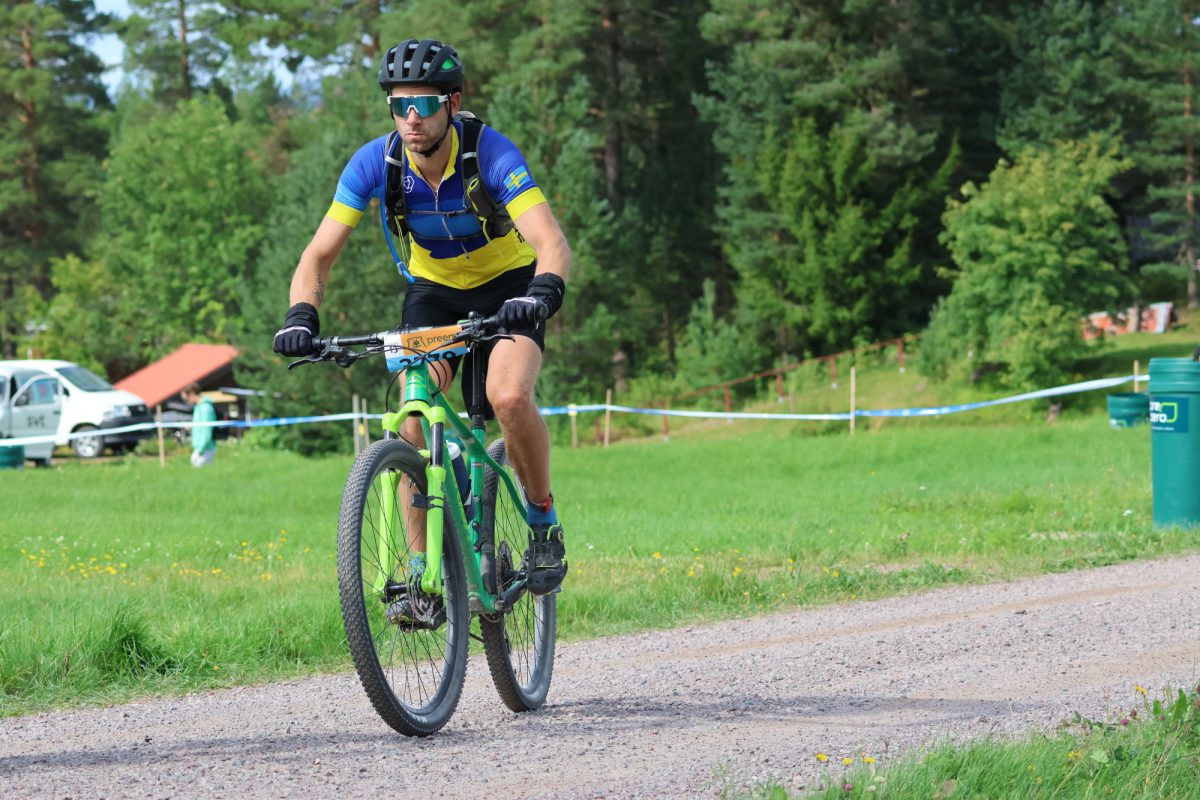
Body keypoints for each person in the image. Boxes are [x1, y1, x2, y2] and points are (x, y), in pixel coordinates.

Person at [272, 38, 571, 604]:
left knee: (507, 397)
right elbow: (318, 255)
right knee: (411, 414)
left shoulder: (490, 153)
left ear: (451, 104)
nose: (412, 117)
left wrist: (543, 291)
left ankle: (542, 521)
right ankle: (420, 572)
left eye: (426, 104)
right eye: (400, 105)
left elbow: (551, 242)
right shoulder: (376, 163)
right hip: (434, 293)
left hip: (509, 288)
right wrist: (301, 315)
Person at [182, 383, 217, 468]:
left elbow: (206, 429)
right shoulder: (198, 407)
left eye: (187, 399)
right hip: (200, 447)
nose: (187, 402)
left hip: (205, 448)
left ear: (192, 394)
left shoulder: (205, 408)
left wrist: (201, 449)